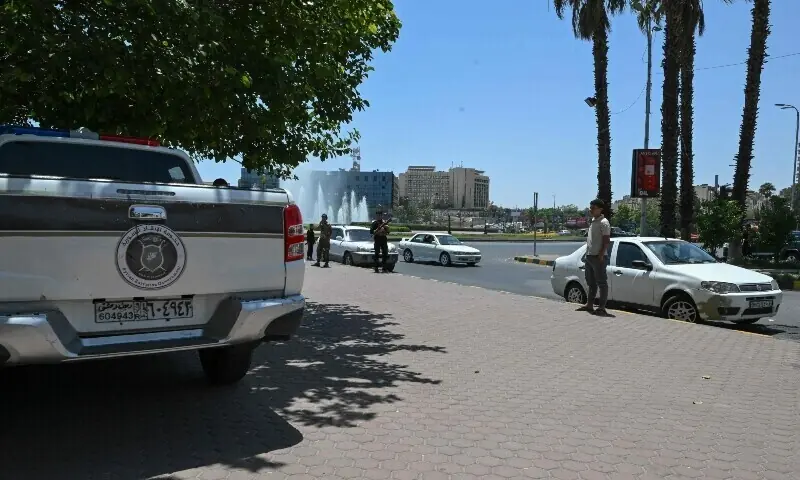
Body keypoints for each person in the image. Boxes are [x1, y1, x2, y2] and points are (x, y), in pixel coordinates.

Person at [577, 198, 612, 316]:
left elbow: (606, 241)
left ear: (600, 209)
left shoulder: (604, 222)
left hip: (598, 257)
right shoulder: (593, 221)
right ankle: (589, 305)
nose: (591, 210)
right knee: (591, 282)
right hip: (590, 256)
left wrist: (601, 254)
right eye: (590, 208)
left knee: (602, 282)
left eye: (593, 208)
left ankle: (602, 307)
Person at [370, 207, 390, 272]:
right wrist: (377, 230)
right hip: (377, 239)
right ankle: (376, 268)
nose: (379, 216)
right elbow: (371, 231)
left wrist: (385, 228)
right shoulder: (374, 223)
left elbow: (388, 232)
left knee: (385, 253)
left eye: (380, 215)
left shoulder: (385, 223)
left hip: (384, 239)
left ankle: (384, 268)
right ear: (376, 216)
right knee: (377, 254)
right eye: (378, 215)